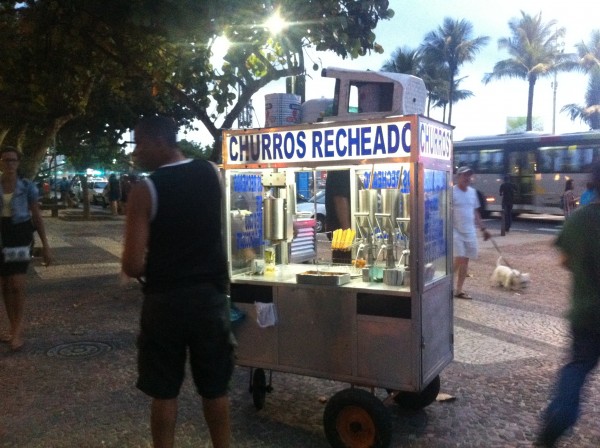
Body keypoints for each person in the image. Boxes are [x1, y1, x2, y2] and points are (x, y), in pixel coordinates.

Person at [121, 116, 234, 448]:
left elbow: (131, 263)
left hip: (165, 302)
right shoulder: (212, 173)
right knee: (215, 387)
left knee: (165, 391)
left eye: (139, 143)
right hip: (210, 299)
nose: (136, 152)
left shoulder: (146, 189)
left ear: (160, 142)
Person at [534, 162, 600, 447]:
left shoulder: (579, 219)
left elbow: (564, 260)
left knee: (576, 367)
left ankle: (559, 416)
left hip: (586, 314)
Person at [0, 147, 52, 351]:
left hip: (20, 234)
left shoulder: (27, 186)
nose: (9, 164)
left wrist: (46, 245)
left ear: (18, 163)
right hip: (1, 236)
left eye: (13, 160)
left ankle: (18, 329)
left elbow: (36, 216)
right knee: (4, 284)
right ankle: (12, 327)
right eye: (5, 160)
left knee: (17, 283)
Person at [452, 166, 490, 300]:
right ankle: (448, 283)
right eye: (464, 175)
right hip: (455, 230)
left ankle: (459, 289)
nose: (467, 178)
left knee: (465, 260)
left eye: (469, 176)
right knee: (461, 257)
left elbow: (475, 212)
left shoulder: (473, 193)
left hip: (469, 231)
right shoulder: (452, 192)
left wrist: (483, 228)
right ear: (458, 177)